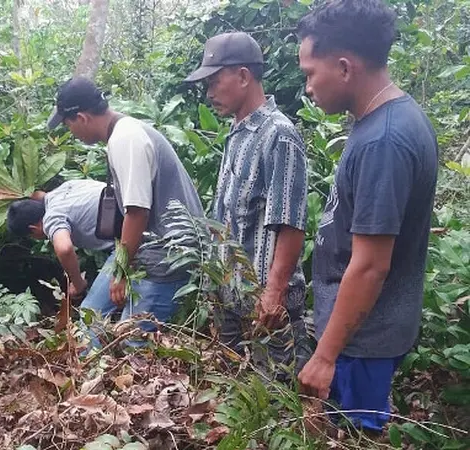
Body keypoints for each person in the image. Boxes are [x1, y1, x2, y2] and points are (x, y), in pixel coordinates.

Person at [296, 0, 438, 433]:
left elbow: (372, 265)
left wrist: (326, 355)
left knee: (356, 437)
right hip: (359, 337)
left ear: (344, 67)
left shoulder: (386, 141)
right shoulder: (383, 121)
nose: (307, 88)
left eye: (309, 73)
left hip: (363, 342)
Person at [184, 32, 310, 375]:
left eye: (215, 81)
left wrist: (273, 294)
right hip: (231, 300)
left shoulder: (278, 134)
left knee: (272, 403)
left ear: (243, 76)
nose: (209, 93)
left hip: (266, 306)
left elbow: (291, 222)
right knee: (234, 398)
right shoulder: (237, 131)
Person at [46, 77, 204, 343]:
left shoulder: (126, 139)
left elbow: (137, 212)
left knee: (133, 343)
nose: (70, 132)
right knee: (90, 320)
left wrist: (120, 272)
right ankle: (90, 378)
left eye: (68, 125)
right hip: (144, 247)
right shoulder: (121, 133)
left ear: (82, 118)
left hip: (167, 253)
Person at [7, 180, 114, 327]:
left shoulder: (51, 219)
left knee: (90, 315)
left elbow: (64, 249)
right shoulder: (65, 188)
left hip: (133, 245)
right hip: (141, 219)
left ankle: (93, 350)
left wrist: (78, 283)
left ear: (33, 228)